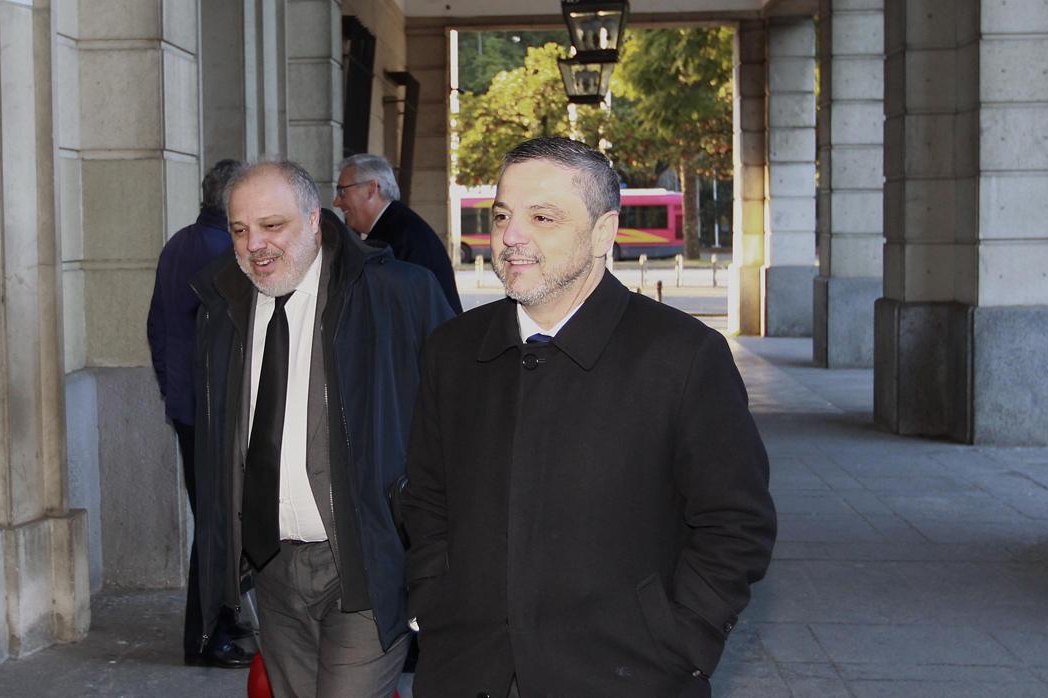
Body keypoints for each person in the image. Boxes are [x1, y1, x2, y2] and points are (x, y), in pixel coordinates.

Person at [402, 137, 777, 698]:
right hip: (467, 671)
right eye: (502, 215)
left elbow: (736, 524)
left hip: (629, 677)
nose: (511, 237)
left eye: (542, 217)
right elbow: (427, 496)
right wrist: (433, 597)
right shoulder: (451, 350)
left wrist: (680, 640)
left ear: (603, 232)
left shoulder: (682, 356)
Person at [190, 159, 454, 696]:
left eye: (272, 225)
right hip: (273, 572)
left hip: (365, 564)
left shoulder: (397, 294)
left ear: (314, 220)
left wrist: (431, 546)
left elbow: (459, 418)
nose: (255, 245)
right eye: (240, 230)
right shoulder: (221, 311)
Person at [146, 158, 254, 668]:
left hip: (192, 409)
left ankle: (224, 622)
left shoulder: (178, 244)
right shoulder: (226, 255)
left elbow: (157, 328)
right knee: (218, 524)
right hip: (216, 412)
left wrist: (174, 392)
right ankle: (208, 636)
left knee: (219, 520)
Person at [334, 154, 463, 315]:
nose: (336, 202)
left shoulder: (395, 239)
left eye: (342, 192)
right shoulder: (400, 226)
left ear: (371, 189)